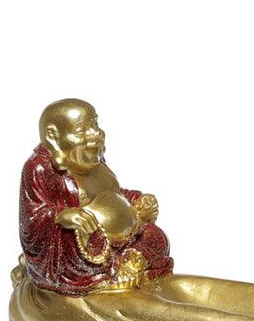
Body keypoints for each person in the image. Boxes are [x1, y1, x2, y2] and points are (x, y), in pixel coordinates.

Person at [19, 99, 173, 294]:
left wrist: (136, 200)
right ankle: (114, 270)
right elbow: (32, 218)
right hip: (87, 244)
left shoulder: (93, 160)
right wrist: (63, 215)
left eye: (95, 125)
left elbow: (111, 192)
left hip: (127, 236)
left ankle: (131, 261)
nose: (95, 134)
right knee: (80, 258)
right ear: (53, 136)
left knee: (156, 237)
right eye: (81, 130)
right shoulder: (40, 168)